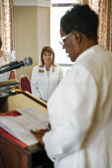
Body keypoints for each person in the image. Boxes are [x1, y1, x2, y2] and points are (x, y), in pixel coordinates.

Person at [31, 4, 112, 168]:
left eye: (63, 40)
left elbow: (74, 131)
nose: (63, 47)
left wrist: (47, 139)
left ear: (76, 37)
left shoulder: (84, 69)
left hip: (83, 159)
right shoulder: (107, 59)